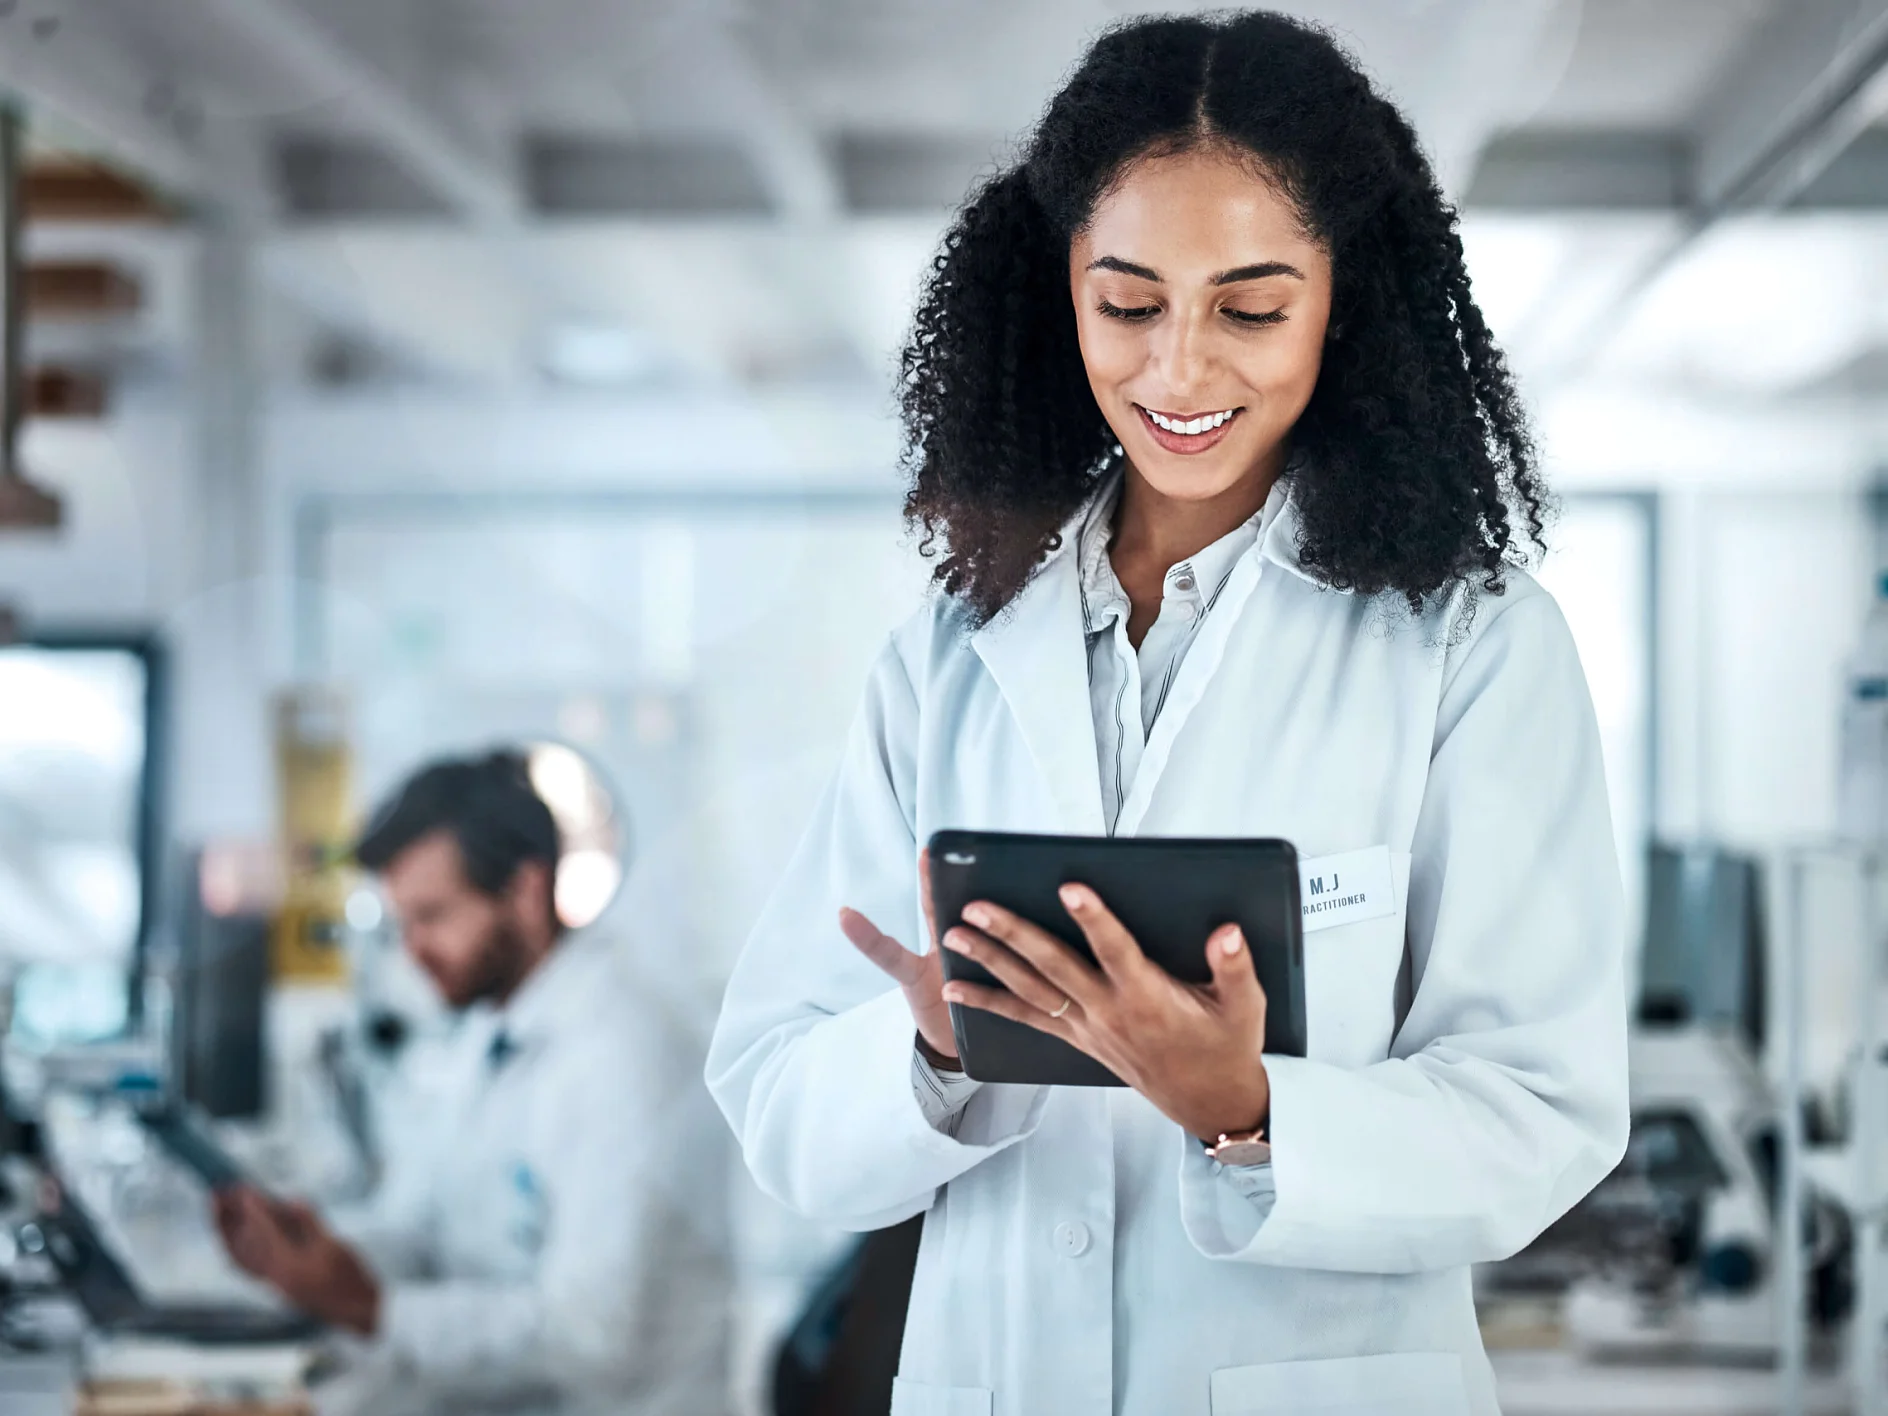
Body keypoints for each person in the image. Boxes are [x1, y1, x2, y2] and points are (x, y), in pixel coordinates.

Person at [707, 13, 1629, 1416]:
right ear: (1056, 292)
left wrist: (1251, 1113)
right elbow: (778, 1100)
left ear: (1345, 303)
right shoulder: (948, 657)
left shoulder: (1469, 645)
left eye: (1251, 309)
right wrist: (936, 1056)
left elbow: (1544, 1110)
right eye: (1127, 304)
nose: (1180, 372)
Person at [213, 751, 731, 1416]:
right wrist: (312, 1258)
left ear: (524, 890)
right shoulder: (486, 1029)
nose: (413, 950)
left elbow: (591, 1339)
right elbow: (422, 1227)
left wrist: (370, 1308)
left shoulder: (625, 1057)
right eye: (403, 923)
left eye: (433, 917)